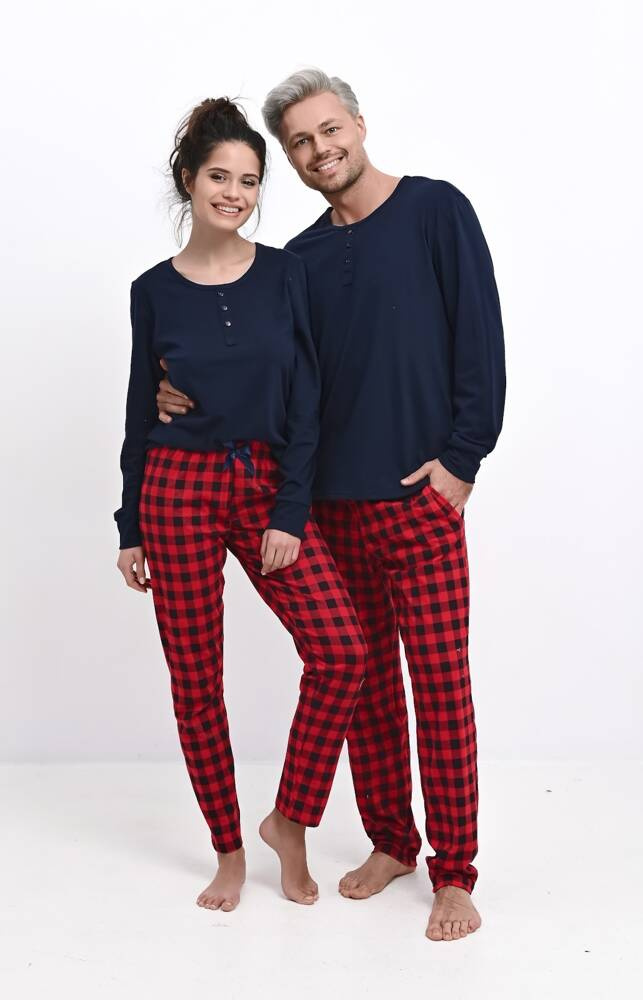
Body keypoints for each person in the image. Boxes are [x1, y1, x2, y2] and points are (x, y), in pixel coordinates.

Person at [156, 71, 506, 941]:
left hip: (420, 500)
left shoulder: (434, 210)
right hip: (326, 509)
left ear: (357, 123)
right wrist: (174, 392)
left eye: (328, 130)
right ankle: (392, 842)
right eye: (300, 143)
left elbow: (480, 336)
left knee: (441, 688)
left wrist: (461, 463)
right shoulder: (299, 261)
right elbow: (267, 372)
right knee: (367, 690)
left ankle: (454, 873)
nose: (319, 150)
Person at [114, 96, 367, 912]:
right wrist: (129, 524)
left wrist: (289, 511)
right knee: (196, 682)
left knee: (341, 650)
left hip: (261, 484)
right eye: (219, 177)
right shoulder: (152, 290)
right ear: (188, 181)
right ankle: (227, 851)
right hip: (175, 491)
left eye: (249, 180)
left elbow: (307, 399)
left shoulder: (286, 274)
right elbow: (139, 409)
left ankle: (288, 820)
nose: (234, 193)